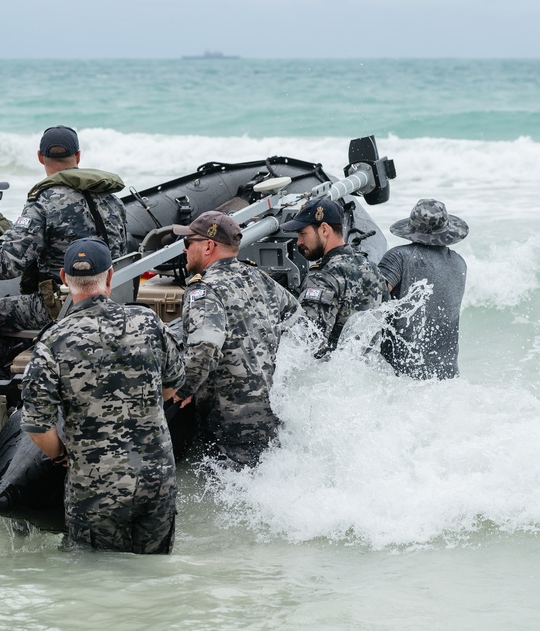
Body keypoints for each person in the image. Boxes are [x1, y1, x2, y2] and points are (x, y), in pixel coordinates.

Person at [21, 238, 185, 554]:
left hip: (95, 487)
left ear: (64, 278)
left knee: (98, 580)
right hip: (156, 480)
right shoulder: (148, 322)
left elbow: (36, 426)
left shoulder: (52, 341)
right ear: (110, 277)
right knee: (156, 574)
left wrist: (61, 456)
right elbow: (172, 386)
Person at [0, 125, 129, 379]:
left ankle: (0, 392)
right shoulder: (112, 200)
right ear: (79, 156)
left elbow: (6, 263)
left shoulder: (43, 203)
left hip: (62, 305)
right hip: (113, 297)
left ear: (40, 157)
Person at [172, 211, 303, 467]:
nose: (185, 250)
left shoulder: (204, 289)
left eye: (188, 243)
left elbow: (205, 345)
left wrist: (184, 388)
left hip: (228, 417)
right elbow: (295, 315)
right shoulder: (260, 278)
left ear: (208, 246)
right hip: (270, 408)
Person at [281, 198, 389, 355]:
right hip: (365, 367)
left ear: (324, 229)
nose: (299, 242)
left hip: (329, 373)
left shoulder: (322, 276)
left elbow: (307, 342)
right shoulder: (371, 268)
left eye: (303, 233)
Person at [378, 199, 468, 379]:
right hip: (448, 376)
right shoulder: (460, 263)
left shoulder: (398, 257)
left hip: (401, 376)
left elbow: (371, 300)